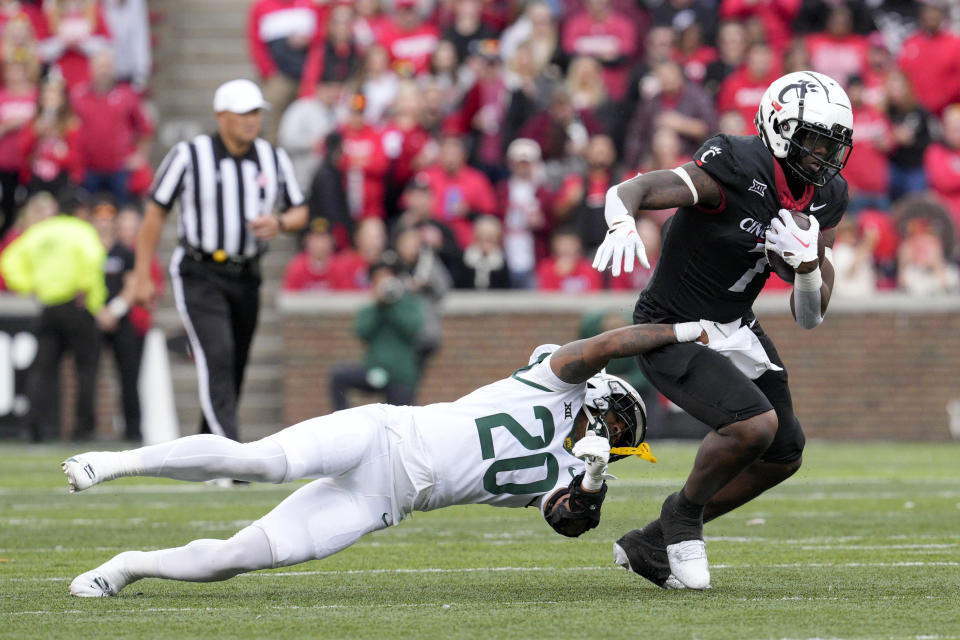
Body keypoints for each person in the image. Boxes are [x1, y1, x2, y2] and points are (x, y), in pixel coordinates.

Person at [62, 318, 707, 598]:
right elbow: (608, 343)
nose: (614, 438)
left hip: (384, 502)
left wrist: (593, 476)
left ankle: (126, 567)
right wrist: (682, 333)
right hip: (384, 434)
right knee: (255, 461)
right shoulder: (556, 380)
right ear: (600, 399)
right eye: (617, 425)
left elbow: (568, 522)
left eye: (622, 439)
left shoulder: (581, 469)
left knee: (241, 556)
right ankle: (116, 461)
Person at [592, 71, 854, 591]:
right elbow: (638, 188)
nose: (824, 157)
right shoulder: (736, 166)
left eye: (834, 145)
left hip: (735, 323)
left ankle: (650, 541)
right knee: (754, 427)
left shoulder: (827, 196)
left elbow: (810, 316)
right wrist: (621, 218)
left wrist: (805, 269)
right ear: (779, 128)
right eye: (814, 140)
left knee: (785, 453)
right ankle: (683, 515)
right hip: (672, 327)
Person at [128, 78, 307, 443]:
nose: (251, 120)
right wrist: (142, 274)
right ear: (221, 115)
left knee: (235, 362)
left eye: (256, 112)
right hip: (200, 270)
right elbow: (154, 214)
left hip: (247, 272)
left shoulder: (273, 158)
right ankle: (230, 455)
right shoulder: (188, 155)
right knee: (218, 354)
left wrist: (280, 222)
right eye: (243, 112)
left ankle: (206, 452)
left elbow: (300, 210)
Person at [0, 192, 106, 441]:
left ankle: (32, 428)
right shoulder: (82, 231)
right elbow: (94, 259)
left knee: (43, 369)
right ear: (80, 211)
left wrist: (29, 285)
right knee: (86, 369)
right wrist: (85, 289)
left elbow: (8, 261)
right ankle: (83, 429)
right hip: (77, 305)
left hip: (48, 306)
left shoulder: (40, 232)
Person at [328, 255, 423, 410]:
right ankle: (343, 422)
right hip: (374, 371)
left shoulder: (409, 303)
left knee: (397, 422)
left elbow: (411, 329)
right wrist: (379, 305)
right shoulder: (372, 308)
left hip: (400, 377)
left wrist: (391, 306)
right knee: (339, 377)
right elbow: (361, 332)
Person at [90, 196, 142, 441]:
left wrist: (115, 310)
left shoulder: (124, 251)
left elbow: (132, 284)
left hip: (120, 320)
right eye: (99, 218)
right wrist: (98, 311)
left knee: (129, 376)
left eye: (107, 218)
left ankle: (133, 429)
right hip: (93, 318)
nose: (103, 223)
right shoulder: (86, 248)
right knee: (88, 374)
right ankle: (87, 428)